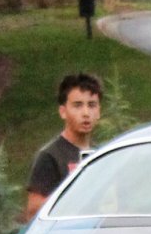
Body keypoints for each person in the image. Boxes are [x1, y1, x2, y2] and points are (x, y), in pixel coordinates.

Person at [25, 72, 102, 218]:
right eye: (77, 106)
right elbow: (33, 212)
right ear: (63, 112)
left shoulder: (102, 154)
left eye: (92, 105)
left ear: (99, 111)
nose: (86, 113)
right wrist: (73, 199)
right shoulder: (50, 156)